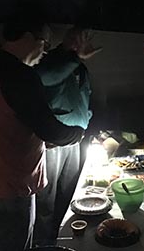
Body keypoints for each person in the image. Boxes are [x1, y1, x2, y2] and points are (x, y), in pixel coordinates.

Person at [0, 8, 84, 251]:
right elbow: (50, 130)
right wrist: (77, 134)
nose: (45, 51)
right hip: (9, 189)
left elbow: (3, 118)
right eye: (45, 42)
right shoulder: (19, 74)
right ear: (28, 37)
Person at [33, 27, 101, 245]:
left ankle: (62, 238)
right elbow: (48, 78)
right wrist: (74, 57)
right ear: (68, 40)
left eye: (87, 38)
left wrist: (86, 122)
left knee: (70, 191)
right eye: (80, 38)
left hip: (75, 140)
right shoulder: (50, 61)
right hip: (53, 142)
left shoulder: (80, 67)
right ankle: (44, 242)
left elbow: (84, 97)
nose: (84, 42)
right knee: (47, 197)